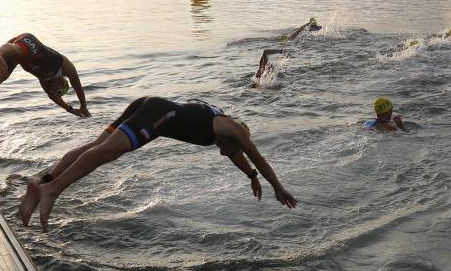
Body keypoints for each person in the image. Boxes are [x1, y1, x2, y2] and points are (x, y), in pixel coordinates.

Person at [18, 97, 298, 231]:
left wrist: (250, 175)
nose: (224, 153)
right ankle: (52, 190)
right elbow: (257, 157)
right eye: (228, 150)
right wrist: (278, 187)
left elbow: (242, 158)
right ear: (238, 137)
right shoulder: (234, 131)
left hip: (150, 105)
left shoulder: (225, 132)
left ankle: (41, 183)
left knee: (95, 147)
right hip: (159, 117)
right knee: (105, 152)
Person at [0, 33, 90, 130]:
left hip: (22, 58)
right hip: (32, 45)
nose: (55, 90)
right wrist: (83, 106)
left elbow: (55, 98)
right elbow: (78, 86)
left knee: (1, 74)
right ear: (63, 81)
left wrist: (71, 110)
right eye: (59, 89)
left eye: (57, 92)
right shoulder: (64, 66)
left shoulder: (46, 84)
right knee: (17, 50)